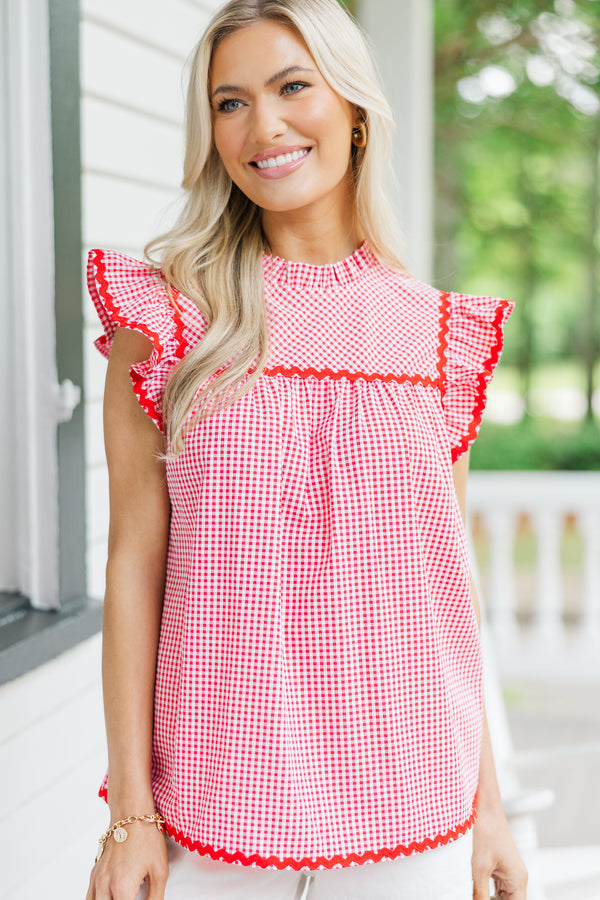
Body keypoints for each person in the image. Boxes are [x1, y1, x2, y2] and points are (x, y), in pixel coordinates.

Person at [85, 0, 528, 898]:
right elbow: (134, 566)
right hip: (214, 810)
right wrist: (131, 813)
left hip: (415, 804)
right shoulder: (166, 323)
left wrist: (489, 808)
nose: (265, 126)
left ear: (355, 112)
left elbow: (445, 597)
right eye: (231, 102)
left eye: (293, 87)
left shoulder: (437, 337)